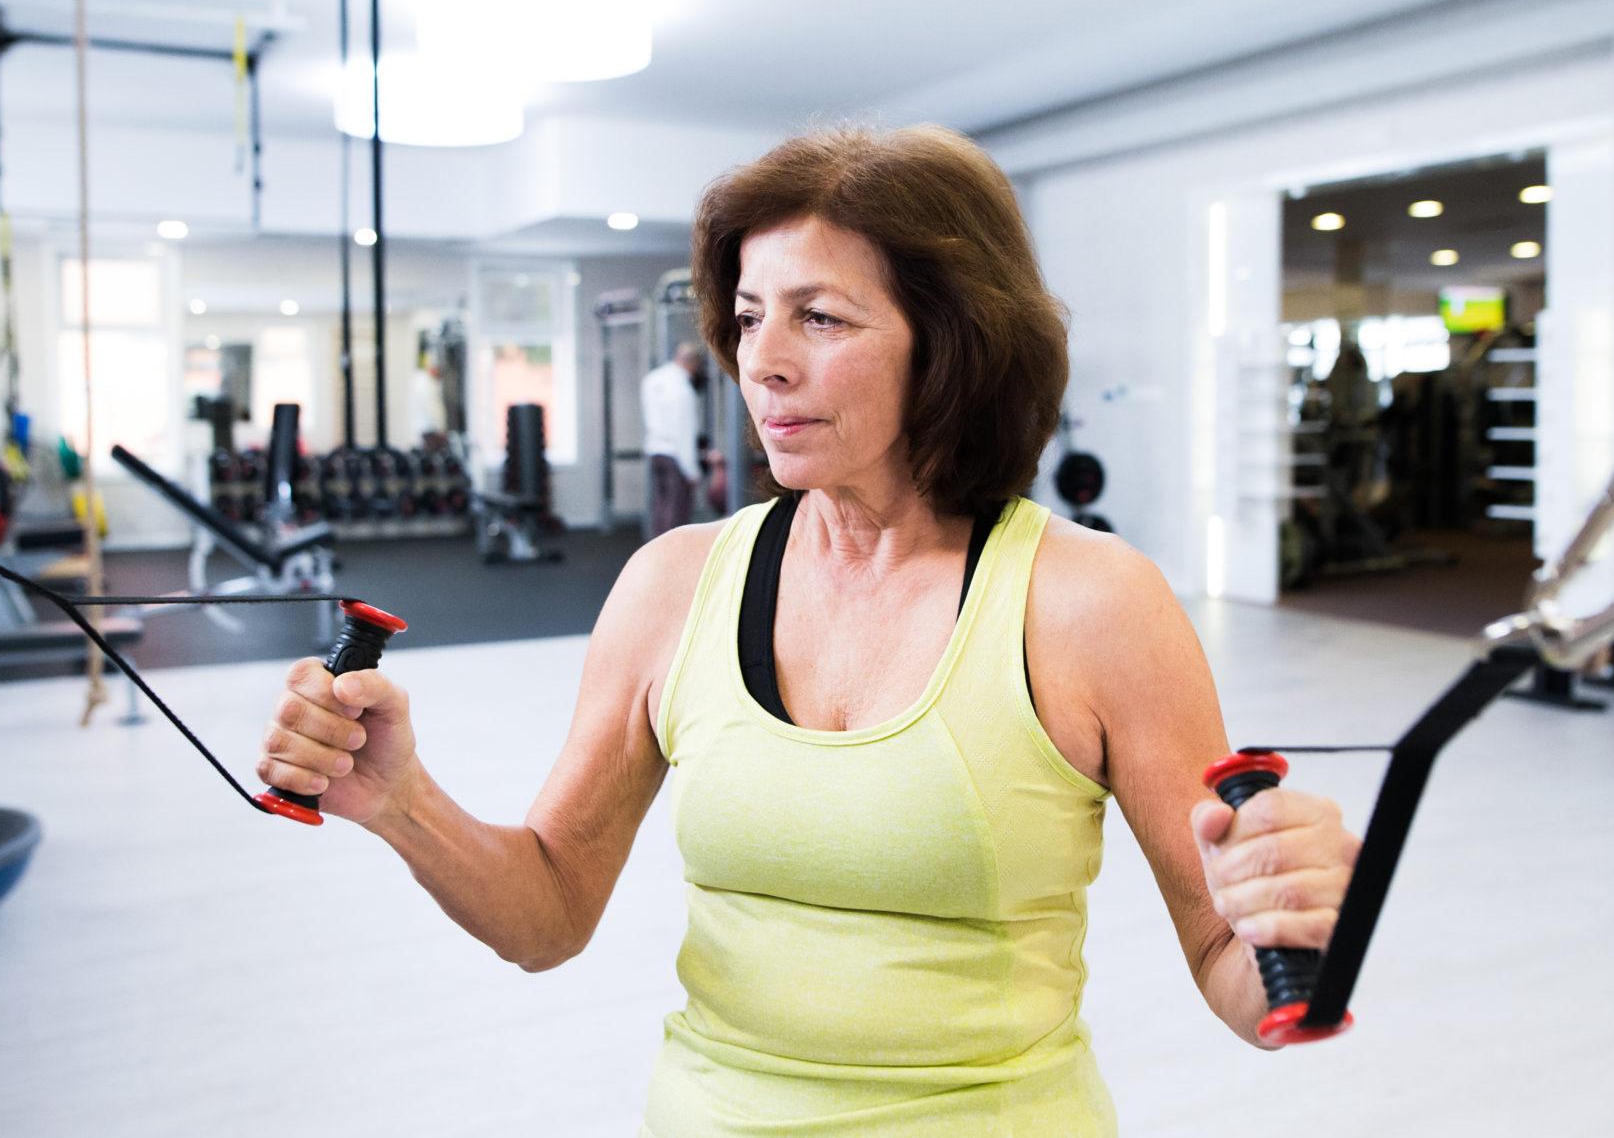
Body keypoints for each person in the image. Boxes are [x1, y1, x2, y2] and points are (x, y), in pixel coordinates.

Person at [256, 125, 1361, 1135]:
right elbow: (546, 915)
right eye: (747, 318)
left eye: (819, 318)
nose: (762, 362)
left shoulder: (1090, 605)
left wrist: (1300, 932)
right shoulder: (672, 585)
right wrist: (400, 804)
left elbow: (1234, 967)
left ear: (952, 341)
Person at [641, 342, 705, 537]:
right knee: (676, 513)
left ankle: (657, 556)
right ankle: (670, 560)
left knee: (661, 507)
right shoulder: (682, 391)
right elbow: (683, 433)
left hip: (655, 451)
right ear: (692, 364)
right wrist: (692, 470)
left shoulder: (653, 379)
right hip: (675, 456)